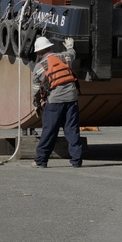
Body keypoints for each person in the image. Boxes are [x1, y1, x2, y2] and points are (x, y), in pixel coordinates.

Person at [31, 35, 83, 168]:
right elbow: (72, 53)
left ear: (38, 52)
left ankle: (41, 160)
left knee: (49, 131)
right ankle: (76, 160)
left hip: (54, 101)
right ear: (51, 47)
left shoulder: (39, 67)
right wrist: (70, 46)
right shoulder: (64, 57)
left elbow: (36, 90)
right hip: (72, 98)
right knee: (72, 129)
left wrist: (37, 105)